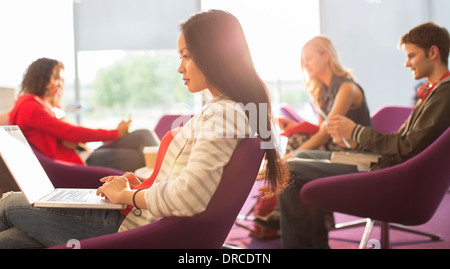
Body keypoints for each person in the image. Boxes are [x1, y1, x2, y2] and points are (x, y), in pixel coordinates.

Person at [0, 9, 289, 248]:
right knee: (13, 240)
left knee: (9, 203)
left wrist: (127, 196)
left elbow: (189, 197)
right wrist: (142, 187)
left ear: (213, 54)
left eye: (186, 56)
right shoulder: (230, 110)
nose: (180, 68)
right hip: (144, 219)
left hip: (134, 229)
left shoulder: (224, 114)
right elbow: (190, 185)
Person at [278, 22, 450, 249]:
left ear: (433, 52)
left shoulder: (444, 93)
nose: (406, 62)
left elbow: (406, 147)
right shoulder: (433, 92)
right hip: (382, 163)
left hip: (387, 174)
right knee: (295, 160)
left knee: (290, 169)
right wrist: (354, 140)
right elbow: (403, 142)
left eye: (411, 55)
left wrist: (356, 132)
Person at [252, 36, 373, 238]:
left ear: (326, 56)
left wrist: (293, 155)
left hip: (356, 153)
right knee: (298, 135)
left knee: (297, 146)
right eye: (303, 60)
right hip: (336, 147)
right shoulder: (322, 93)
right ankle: (288, 213)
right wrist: (297, 127)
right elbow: (321, 128)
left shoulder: (347, 88)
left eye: (308, 58)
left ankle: (283, 212)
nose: (305, 64)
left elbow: (327, 131)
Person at [8, 58, 158, 172]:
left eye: (61, 80)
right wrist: (115, 133)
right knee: (145, 158)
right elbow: (72, 132)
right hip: (77, 162)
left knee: (143, 134)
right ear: (40, 79)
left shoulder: (47, 105)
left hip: (83, 152)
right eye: (55, 78)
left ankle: (169, 180)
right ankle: (167, 187)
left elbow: (69, 132)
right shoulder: (31, 107)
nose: (60, 84)